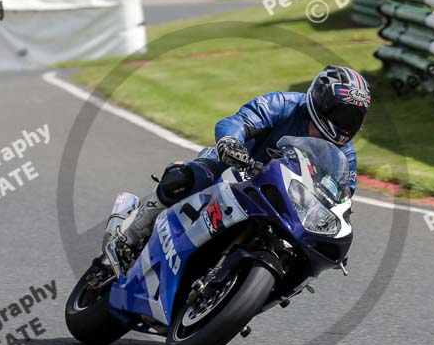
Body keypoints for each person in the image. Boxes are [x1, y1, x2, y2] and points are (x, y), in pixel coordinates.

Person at [112, 65, 371, 249]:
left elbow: (342, 196)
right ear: (321, 99)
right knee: (186, 178)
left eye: (354, 118)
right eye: (342, 114)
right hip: (235, 167)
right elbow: (239, 121)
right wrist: (231, 142)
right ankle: (134, 229)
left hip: (281, 201)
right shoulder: (284, 104)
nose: (345, 124)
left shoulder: (344, 154)